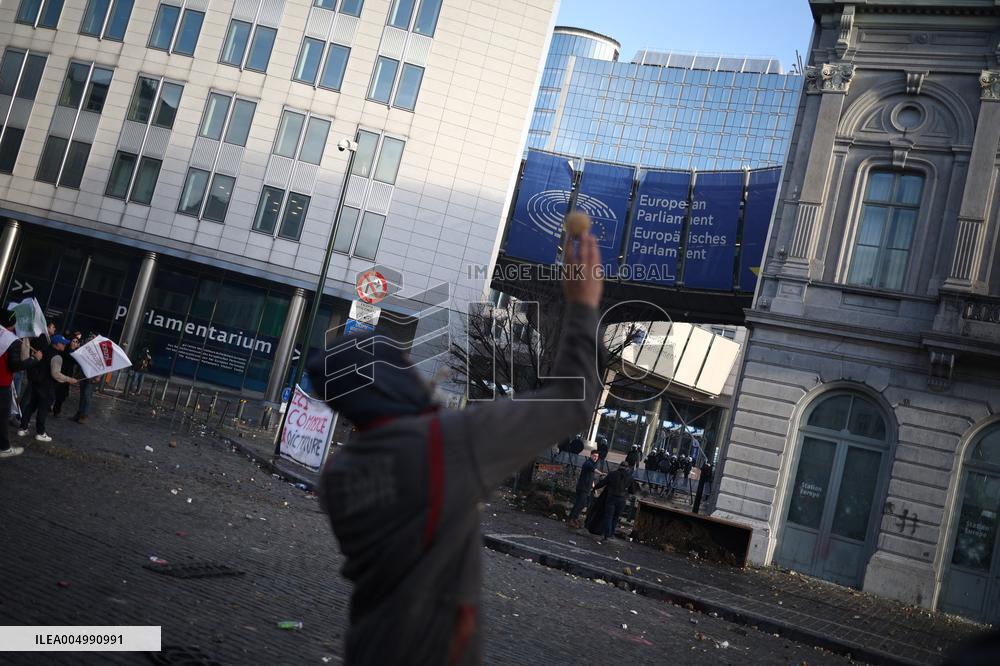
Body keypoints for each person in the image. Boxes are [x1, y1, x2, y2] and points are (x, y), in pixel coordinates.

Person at [309, 230, 604, 665]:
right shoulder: (446, 443)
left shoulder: (337, 478)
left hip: (370, 643)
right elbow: (572, 402)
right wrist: (583, 305)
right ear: (395, 381)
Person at [18, 334, 77, 442]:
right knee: (43, 410)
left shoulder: (43, 350)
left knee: (31, 406)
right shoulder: (57, 357)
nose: (65, 345)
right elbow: (56, 374)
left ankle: (23, 428)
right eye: (63, 343)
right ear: (57, 344)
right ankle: (40, 433)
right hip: (48, 387)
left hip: (37, 383)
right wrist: (69, 379)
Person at [0, 329, 41, 459]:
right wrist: (35, 359)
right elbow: (15, 366)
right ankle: (4, 448)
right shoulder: (11, 340)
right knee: (3, 416)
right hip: (3, 383)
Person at [594, 461, 637, 543]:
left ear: (619, 466)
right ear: (627, 468)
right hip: (622, 499)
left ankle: (606, 535)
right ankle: (611, 534)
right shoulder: (630, 477)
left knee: (608, 516)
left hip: (611, 497)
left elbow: (602, 483)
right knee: (616, 517)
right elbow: (632, 491)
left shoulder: (612, 474)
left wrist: (594, 488)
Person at [52, 335, 81, 417]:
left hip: (68, 374)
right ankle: (50, 406)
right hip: (61, 372)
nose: (74, 343)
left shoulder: (76, 353)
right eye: (73, 341)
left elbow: (76, 362)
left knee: (62, 393)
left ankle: (57, 410)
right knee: (55, 390)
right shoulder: (66, 350)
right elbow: (70, 357)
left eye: (76, 342)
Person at [569, 450, 601, 523]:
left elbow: (591, 477)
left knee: (579, 503)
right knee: (581, 503)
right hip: (583, 487)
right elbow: (594, 470)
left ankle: (572, 517)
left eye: (597, 457)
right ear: (591, 455)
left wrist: (594, 488)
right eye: (594, 456)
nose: (596, 458)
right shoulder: (588, 463)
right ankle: (574, 518)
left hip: (586, 488)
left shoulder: (592, 464)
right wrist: (601, 473)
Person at [72, 333, 97, 424]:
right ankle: (79, 413)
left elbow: (102, 365)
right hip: (84, 375)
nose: (90, 340)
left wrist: (98, 376)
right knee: (83, 395)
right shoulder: (87, 349)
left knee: (86, 395)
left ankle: (84, 415)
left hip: (92, 376)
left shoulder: (97, 352)